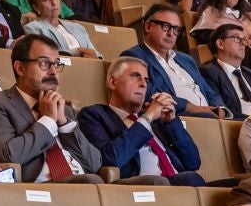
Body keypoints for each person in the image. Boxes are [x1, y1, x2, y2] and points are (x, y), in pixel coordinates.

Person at [0, 34, 105, 183]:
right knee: (91, 182)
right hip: (37, 189)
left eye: (56, 64)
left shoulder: (65, 110)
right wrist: (48, 121)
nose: (53, 71)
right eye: (44, 63)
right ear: (20, 68)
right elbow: (9, 155)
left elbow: (94, 164)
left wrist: (63, 123)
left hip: (80, 182)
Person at [76, 56, 204, 185]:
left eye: (146, 80)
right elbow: (109, 159)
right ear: (113, 82)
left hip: (178, 181)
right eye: (135, 76)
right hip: (141, 185)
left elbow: (193, 163)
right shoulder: (93, 115)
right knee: (190, 180)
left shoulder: (157, 120)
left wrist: (171, 122)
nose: (143, 84)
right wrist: (146, 119)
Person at [122, 3, 225, 115]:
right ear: (148, 26)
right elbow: (147, 94)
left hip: (211, 117)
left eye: (176, 29)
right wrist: (193, 108)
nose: (171, 33)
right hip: (175, 118)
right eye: (165, 26)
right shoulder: (134, 56)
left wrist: (220, 109)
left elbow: (210, 92)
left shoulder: (186, 59)